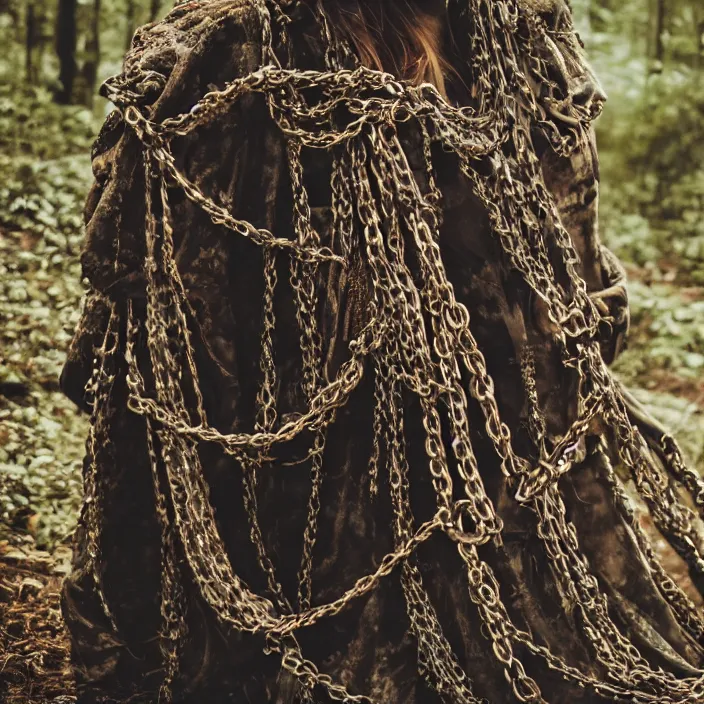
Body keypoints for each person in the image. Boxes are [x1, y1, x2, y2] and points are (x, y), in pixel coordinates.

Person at [59, 0, 704, 702]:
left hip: (485, 488)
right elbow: (156, 309)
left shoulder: (516, 48)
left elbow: (564, 264)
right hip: (300, 500)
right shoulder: (233, 55)